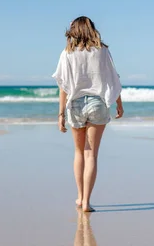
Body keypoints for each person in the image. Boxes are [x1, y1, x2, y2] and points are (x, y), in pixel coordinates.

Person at [52, 16, 123, 212]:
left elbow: (63, 86)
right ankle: (86, 202)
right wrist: (119, 103)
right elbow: (113, 79)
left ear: (74, 30)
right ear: (91, 29)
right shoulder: (102, 51)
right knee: (91, 154)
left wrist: (60, 115)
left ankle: (79, 196)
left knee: (79, 152)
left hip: (75, 104)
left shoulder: (67, 54)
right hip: (98, 103)